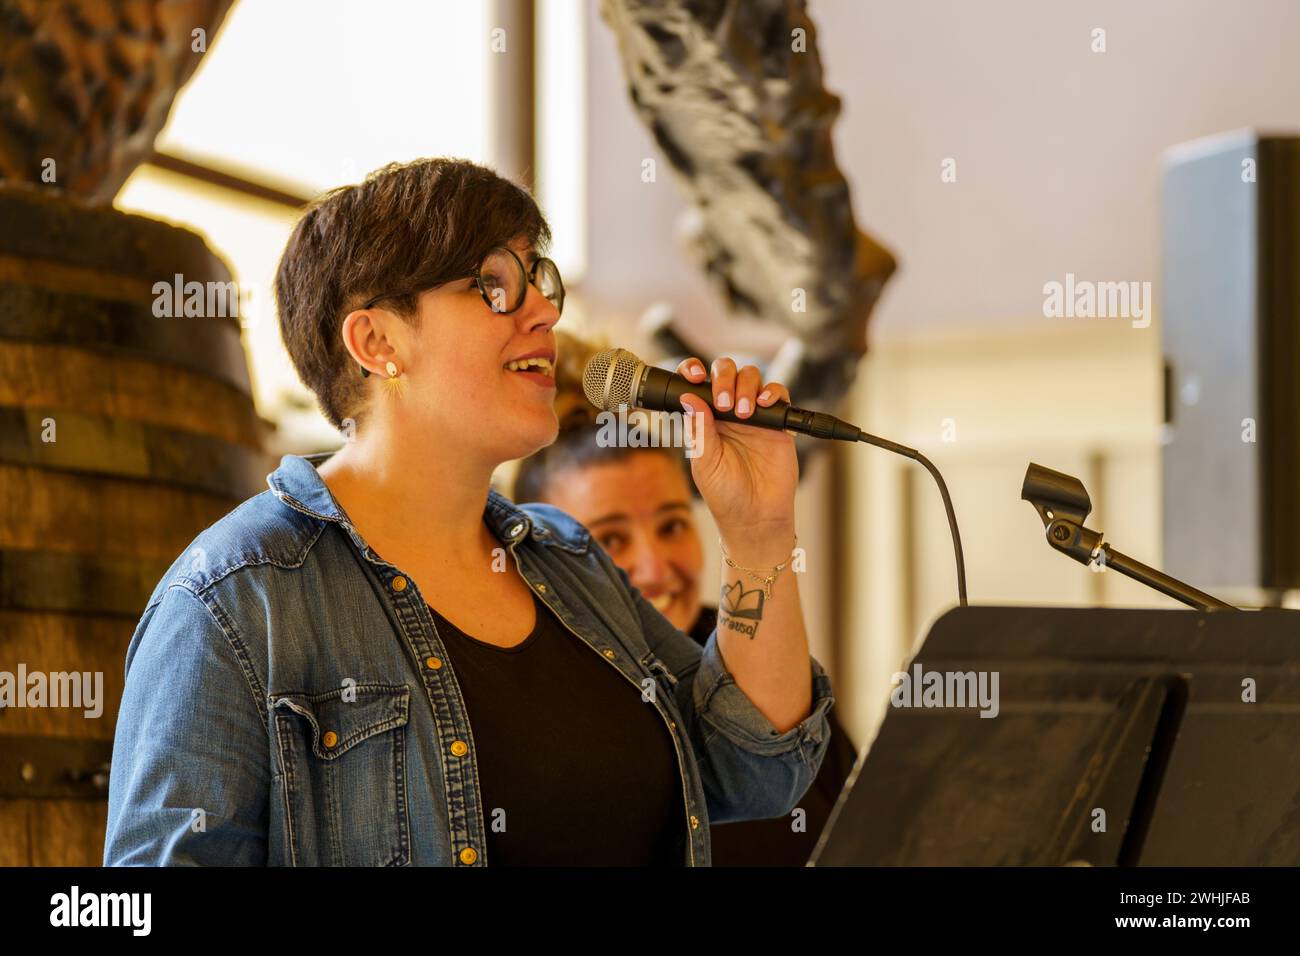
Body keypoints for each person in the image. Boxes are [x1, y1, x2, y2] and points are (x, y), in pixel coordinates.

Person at [102, 157, 837, 867]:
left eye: (538, 281)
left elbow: (756, 767)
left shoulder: (569, 562)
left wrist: (758, 533)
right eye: (493, 285)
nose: (546, 311)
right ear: (378, 342)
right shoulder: (235, 600)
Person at [513, 330, 859, 866]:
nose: (656, 567)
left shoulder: (769, 677)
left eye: (673, 525)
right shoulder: (539, 714)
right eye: (610, 540)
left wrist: (761, 526)